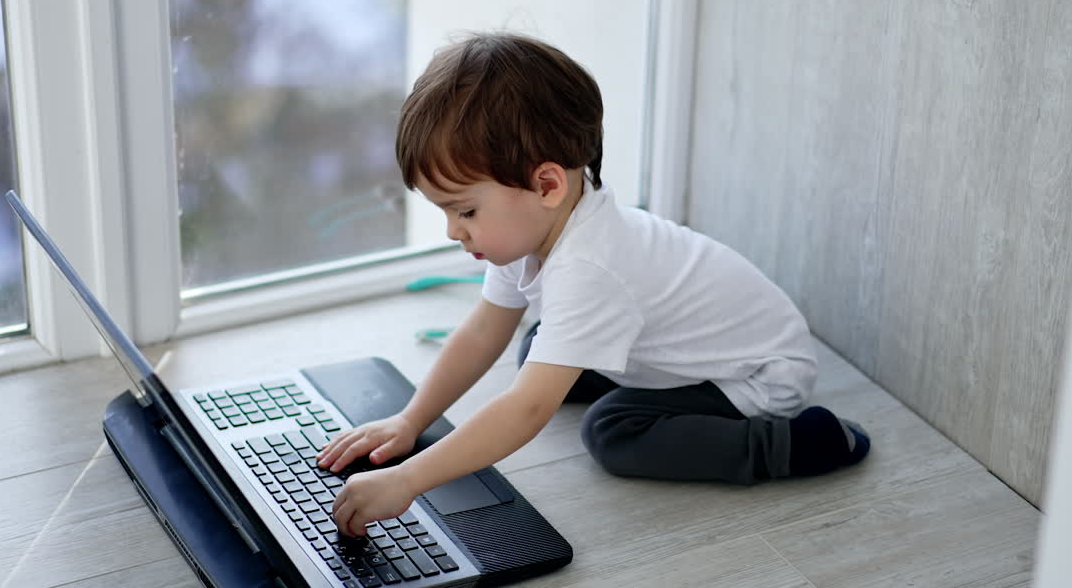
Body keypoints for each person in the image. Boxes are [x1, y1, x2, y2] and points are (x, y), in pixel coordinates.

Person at [321, 32, 870, 536]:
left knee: (612, 431)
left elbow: (527, 412)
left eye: (463, 210)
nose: (452, 231)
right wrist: (410, 419)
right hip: (692, 340)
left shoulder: (589, 270)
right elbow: (483, 330)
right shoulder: (530, 226)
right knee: (536, 347)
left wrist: (408, 480)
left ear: (546, 183)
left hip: (756, 374)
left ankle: (794, 444)